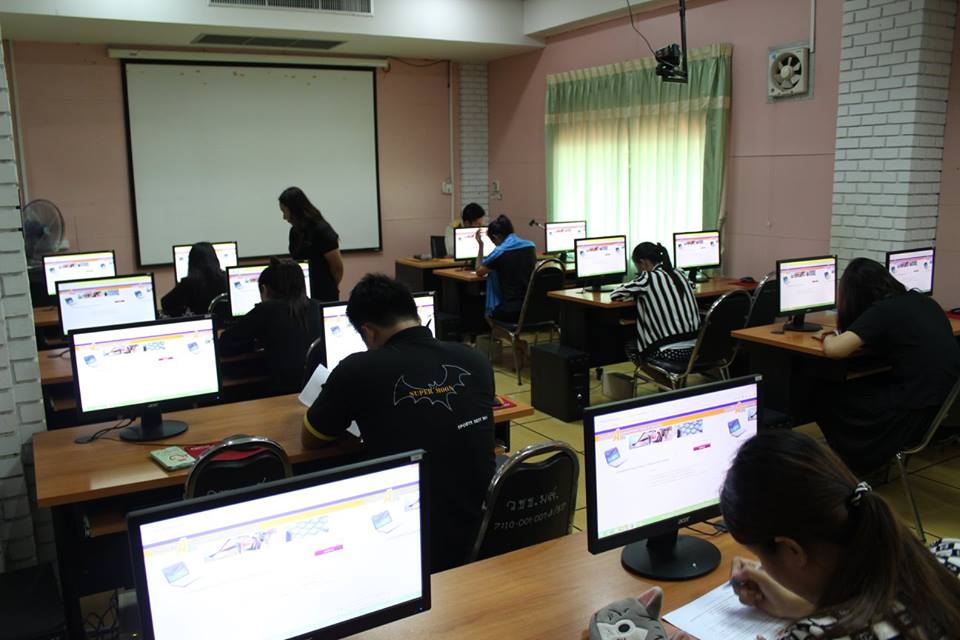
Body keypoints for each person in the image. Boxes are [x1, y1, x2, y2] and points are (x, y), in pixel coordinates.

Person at [301, 274, 496, 573]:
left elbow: (312, 438)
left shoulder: (357, 369)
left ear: (368, 332)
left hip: (408, 533)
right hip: (480, 525)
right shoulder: (475, 359)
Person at [720, 430, 960, 639]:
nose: (763, 567)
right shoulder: (950, 552)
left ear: (792, 550)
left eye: (761, 558)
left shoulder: (811, 635)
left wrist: (815, 624)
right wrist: (807, 607)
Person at [814, 257, 960, 473]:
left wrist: (827, 336)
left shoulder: (883, 311)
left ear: (856, 294)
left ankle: (852, 464)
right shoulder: (921, 300)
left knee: (823, 395)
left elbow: (835, 350)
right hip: (939, 406)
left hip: (912, 412)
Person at [219, 257, 322, 395]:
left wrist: (253, 344)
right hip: (320, 389)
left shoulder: (265, 310)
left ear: (264, 289)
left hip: (284, 392)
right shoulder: (318, 306)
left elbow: (225, 343)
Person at [610, 242, 701, 368]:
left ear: (643, 262)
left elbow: (616, 294)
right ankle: (674, 378)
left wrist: (636, 293)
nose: (637, 270)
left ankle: (665, 380)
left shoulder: (647, 278)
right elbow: (692, 286)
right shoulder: (679, 273)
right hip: (695, 349)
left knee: (630, 346)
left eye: (637, 266)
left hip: (670, 351)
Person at [280, 186, 343, 302]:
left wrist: (330, 288)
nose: (284, 217)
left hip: (324, 294)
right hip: (303, 294)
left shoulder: (322, 230)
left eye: (284, 211)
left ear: (294, 210)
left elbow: (337, 268)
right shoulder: (294, 232)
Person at [475, 214, 536, 323]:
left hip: (511, 309)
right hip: (531, 306)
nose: (495, 245)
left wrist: (481, 246)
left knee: (488, 316)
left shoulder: (500, 252)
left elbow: (479, 271)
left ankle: (501, 334)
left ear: (496, 237)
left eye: (493, 241)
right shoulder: (530, 247)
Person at [161, 241, 227, 317]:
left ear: (191, 261)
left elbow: (165, 303)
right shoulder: (226, 278)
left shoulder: (187, 283)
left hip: (201, 323)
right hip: (225, 322)